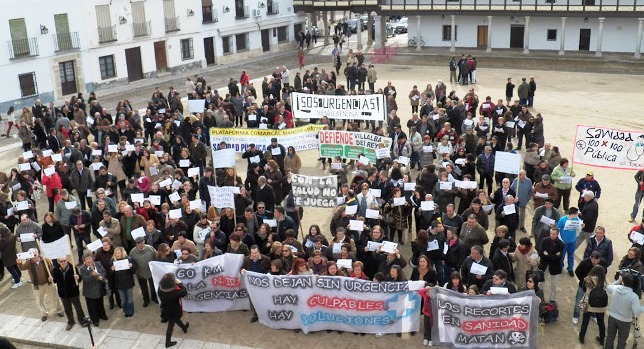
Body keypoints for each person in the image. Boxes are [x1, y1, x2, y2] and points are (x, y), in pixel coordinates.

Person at [17, 248, 64, 322]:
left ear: (38, 253)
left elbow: (52, 270)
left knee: (54, 298)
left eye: (35, 254)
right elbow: (22, 268)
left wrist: (52, 277)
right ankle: (44, 314)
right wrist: (19, 263)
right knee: (40, 301)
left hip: (48, 283)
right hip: (37, 285)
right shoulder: (28, 263)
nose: (33, 256)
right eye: (31, 255)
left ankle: (58, 310)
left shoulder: (46, 260)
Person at [604, 272, 644, 349]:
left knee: (610, 338)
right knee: (622, 341)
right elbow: (637, 311)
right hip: (625, 322)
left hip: (612, 318)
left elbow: (608, 287)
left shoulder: (615, 288)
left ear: (622, 282)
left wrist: (618, 281)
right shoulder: (634, 296)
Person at [50, 256, 87, 331]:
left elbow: (79, 279)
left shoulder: (73, 268)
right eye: (61, 261)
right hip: (63, 293)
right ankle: (70, 322)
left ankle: (82, 321)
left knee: (78, 307)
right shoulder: (55, 270)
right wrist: (51, 280)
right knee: (67, 308)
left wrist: (78, 277)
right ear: (58, 262)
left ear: (67, 260)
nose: (63, 262)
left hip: (73, 292)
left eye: (64, 260)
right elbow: (55, 281)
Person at [157, 272, 189, 348]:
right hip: (174, 311)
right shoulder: (174, 292)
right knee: (171, 325)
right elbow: (184, 292)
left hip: (165, 309)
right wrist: (180, 283)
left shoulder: (160, 289)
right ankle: (167, 343)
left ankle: (184, 327)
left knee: (176, 319)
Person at [578, 265, 607, 345]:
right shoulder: (603, 281)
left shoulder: (588, 280)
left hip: (589, 304)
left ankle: (582, 337)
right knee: (601, 323)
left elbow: (584, 289)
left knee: (585, 321)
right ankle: (601, 339)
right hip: (600, 306)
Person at [572, 251, 604, 324]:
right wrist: (584, 280)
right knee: (579, 299)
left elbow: (603, 273)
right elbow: (577, 272)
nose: (595, 262)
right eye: (593, 260)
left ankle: (592, 314)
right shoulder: (584, 262)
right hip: (583, 285)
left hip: (595, 287)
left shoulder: (601, 264)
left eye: (597, 261)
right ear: (590, 257)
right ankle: (576, 315)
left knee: (593, 301)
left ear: (599, 260)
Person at [538, 227, 565, 302]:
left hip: (555, 266)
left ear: (557, 234)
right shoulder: (544, 240)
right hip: (544, 265)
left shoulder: (561, 244)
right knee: (541, 282)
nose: (552, 235)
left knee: (554, 284)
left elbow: (559, 257)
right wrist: (553, 256)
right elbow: (541, 253)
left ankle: (552, 299)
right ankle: (541, 297)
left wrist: (547, 254)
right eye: (551, 233)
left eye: (554, 234)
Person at [130, 236, 158, 307]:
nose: (141, 245)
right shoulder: (132, 252)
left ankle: (154, 298)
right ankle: (146, 300)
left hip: (151, 271)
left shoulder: (150, 248)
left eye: (142, 243)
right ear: (136, 244)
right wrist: (135, 270)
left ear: (144, 242)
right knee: (143, 288)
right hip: (140, 273)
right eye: (138, 243)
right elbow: (130, 262)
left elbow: (156, 256)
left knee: (153, 286)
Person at [557, 207, 583, 276]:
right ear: (573, 214)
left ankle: (570, 269)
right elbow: (558, 229)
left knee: (571, 255)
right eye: (577, 213)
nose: (578, 214)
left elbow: (578, 228)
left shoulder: (576, 219)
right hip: (564, 241)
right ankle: (560, 267)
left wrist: (581, 226)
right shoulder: (562, 219)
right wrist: (560, 240)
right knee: (562, 255)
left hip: (572, 241)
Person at [111, 246, 136, 317]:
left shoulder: (129, 259)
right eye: (116, 253)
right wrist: (111, 270)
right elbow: (110, 275)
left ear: (122, 253)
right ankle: (126, 311)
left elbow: (134, 271)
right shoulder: (113, 261)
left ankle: (130, 311)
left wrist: (132, 266)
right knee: (123, 300)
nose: (117, 255)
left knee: (129, 299)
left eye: (118, 253)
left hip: (128, 283)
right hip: (119, 284)